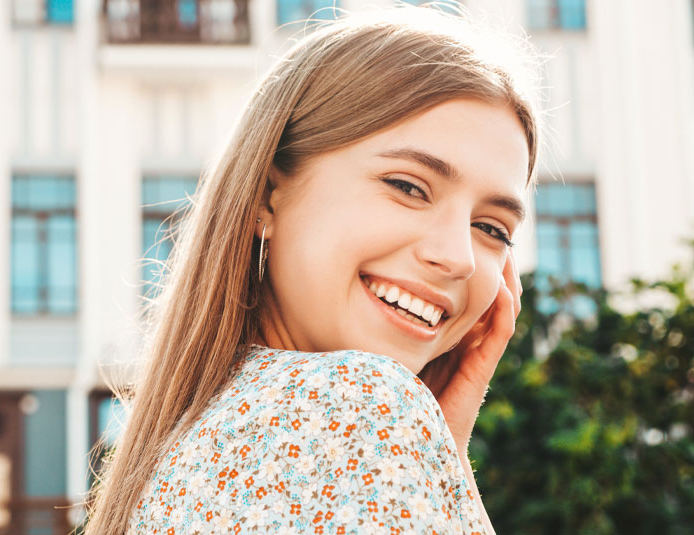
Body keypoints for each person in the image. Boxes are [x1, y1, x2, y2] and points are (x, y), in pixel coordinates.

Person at [86, 5, 540, 534]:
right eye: (408, 187)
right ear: (267, 194)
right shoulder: (361, 404)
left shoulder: (178, 453)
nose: (458, 257)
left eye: (492, 229)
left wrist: (443, 456)